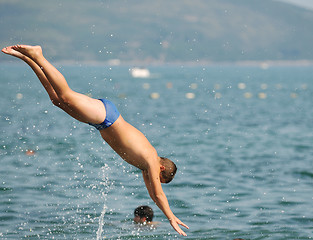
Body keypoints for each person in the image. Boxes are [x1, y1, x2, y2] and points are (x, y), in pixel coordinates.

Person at [2, 45, 189, 236]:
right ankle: (38, 55)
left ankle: (27, 59)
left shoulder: (145, 167)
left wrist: (164, 211)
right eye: (159, 178)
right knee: (66, 96)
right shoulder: (150, 159)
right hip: (107, 116)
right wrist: (171, 217)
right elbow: (159, 194)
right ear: (162, 169)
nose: (154, 179)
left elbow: (153, 195)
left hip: (101, 123)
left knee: (56, 100)